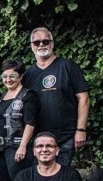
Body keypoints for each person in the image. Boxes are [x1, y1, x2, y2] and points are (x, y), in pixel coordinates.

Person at [23, 27, 89, 166]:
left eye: (45, 41)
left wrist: (81, 129)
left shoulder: (68, 66)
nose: (41, 45)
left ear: (52, 44)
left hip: (66, 136)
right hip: (38, 138)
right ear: (32, 46)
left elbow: (83, 98)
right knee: (41, 175)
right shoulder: (28, 75)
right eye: (37, 42)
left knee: (62, 175)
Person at [0, 59, 38, 181]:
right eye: (4, 76)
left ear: (20, 76)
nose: (8, 80)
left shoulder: (28, 95)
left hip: (16, 148)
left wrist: (23, 146)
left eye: (12, 76)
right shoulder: (2, 96)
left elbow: (30, 123)